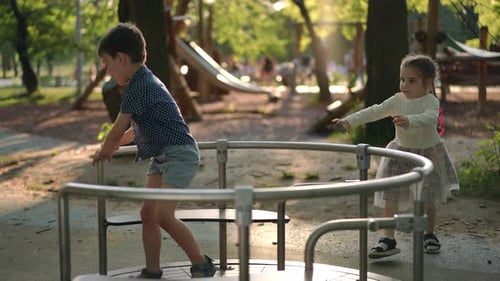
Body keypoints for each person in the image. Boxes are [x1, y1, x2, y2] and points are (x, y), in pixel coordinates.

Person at [92, 22, 216, 278]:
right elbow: (131, 132)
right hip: (162, 155)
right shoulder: (143, 81)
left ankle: (201, 262)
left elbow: (117, 129)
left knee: (163, 215)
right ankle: (152, 269)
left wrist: (106, 150)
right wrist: (115, 145)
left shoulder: (139, 86)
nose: (107, 72)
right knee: (148, 213)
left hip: (179, 154)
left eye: (108, 65)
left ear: (121, 58)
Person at [332, 54, 459, 259]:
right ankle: (387, 239)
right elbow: (376, 111)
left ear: (427, 83)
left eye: (411, 80)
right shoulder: (398, 100)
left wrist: (410, 120)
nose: (405, 85)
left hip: (428, 153)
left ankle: (429, 234)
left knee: (428, 198)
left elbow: (430, 118)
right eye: (402, 79)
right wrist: (350, 120)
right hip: (400, 152)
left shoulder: (430, 101)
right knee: (389, 195)